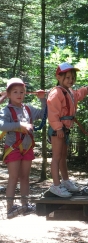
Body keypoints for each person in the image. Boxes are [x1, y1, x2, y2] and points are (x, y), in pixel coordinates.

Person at [0, 78, 47, 219]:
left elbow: (43, 114)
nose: (19, 94)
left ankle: (25, 205)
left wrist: (42, 99)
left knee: (25, 177)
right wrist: (20, 125)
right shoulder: (6, 110)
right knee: (14, 177)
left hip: (27, 148)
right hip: (13, 148)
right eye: (15, 92)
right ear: (8, 94)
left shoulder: (28, 109)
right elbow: (2, 125)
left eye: (22, 92)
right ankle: (10, 208)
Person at [47, 62, 88, 197]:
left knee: (63, 156)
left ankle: (65, 181)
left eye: (73, 77)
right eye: (67, 77)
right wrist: (58, 128)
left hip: (65, 129)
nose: (71, 80)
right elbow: (53, 113)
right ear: (59, 77)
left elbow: (78, 94)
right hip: (58, 130)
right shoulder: (56, 93)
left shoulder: (69, 92)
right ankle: (56, 186)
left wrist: (87, 88)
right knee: (56, 157)